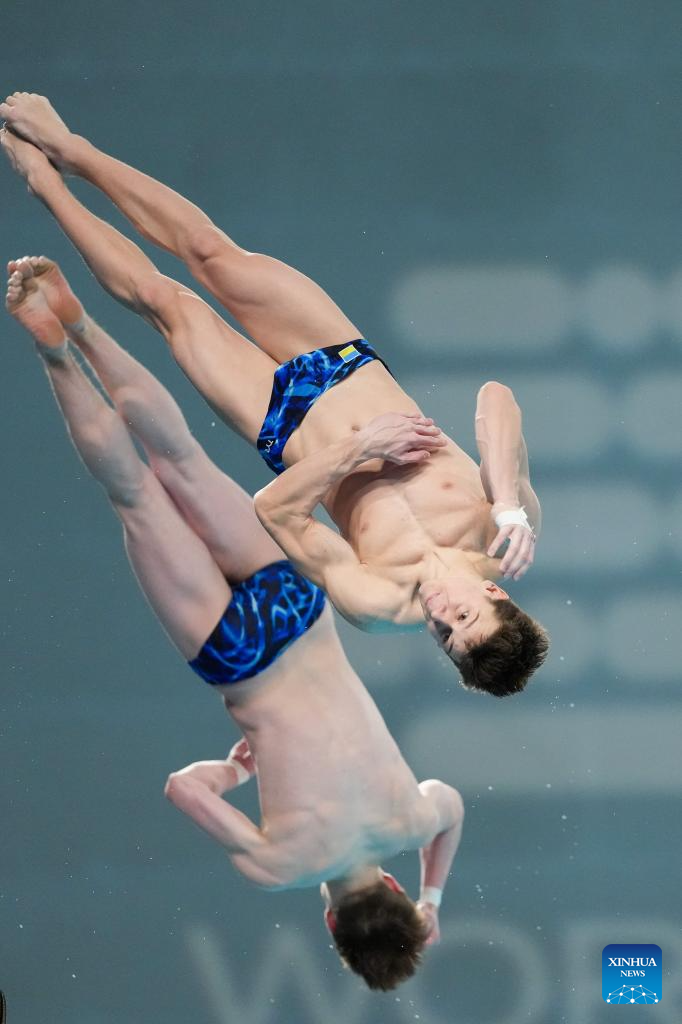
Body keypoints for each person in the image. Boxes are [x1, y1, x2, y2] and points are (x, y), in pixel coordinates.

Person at [5, 254, 464, 991]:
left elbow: (452, 810)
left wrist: (435, 896)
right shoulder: (280, 866)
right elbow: (183, 790)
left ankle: (83, 323)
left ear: (395, 889)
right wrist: (235, 770)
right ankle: (54, 346)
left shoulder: (411, 819)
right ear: (331, 924)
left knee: (180, 458)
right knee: (135, 495)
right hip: (241, 660)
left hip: (300, 614)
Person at [0, 94, 549, 696]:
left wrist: (361, 447)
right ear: (494, 592)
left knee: (164, 303)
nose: (440, 613)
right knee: (210, 253)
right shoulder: (506, 532)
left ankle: (45, 185)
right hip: (339, 358)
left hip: (278, 421)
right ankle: (71, 150)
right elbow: (496, 398)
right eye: (463, 615)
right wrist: (506, 502)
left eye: (444, 636)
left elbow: (273, 509)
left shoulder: (376, 603)